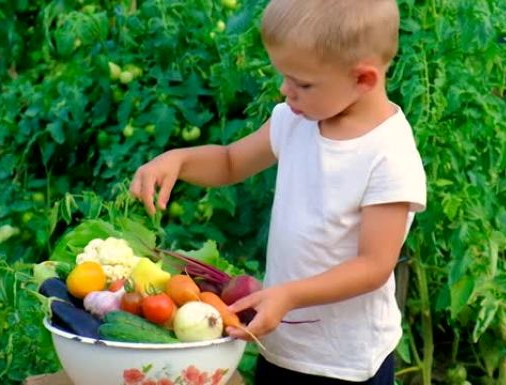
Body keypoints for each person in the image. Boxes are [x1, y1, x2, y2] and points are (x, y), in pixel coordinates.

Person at [130, 0, 426, 383]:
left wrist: (289, 296)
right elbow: (231, 161)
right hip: (281, 343)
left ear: (363, 79)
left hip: (345, 362)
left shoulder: (388, 155)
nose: (286, 90)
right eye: (284, 76)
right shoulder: (295, 120)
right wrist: (179, 160)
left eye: (302, 82)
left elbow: (373, 266)